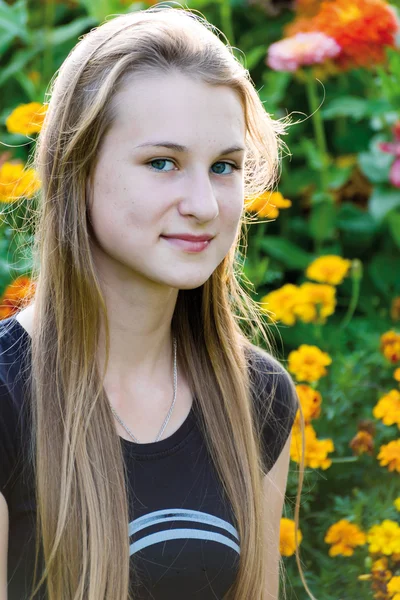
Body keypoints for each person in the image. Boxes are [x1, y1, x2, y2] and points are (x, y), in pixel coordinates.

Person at [0, 6, 307, 600]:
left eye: (224, 167)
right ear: (77, 169)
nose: (204, 203)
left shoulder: (258, 397)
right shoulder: (8, 397)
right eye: (162, 162)